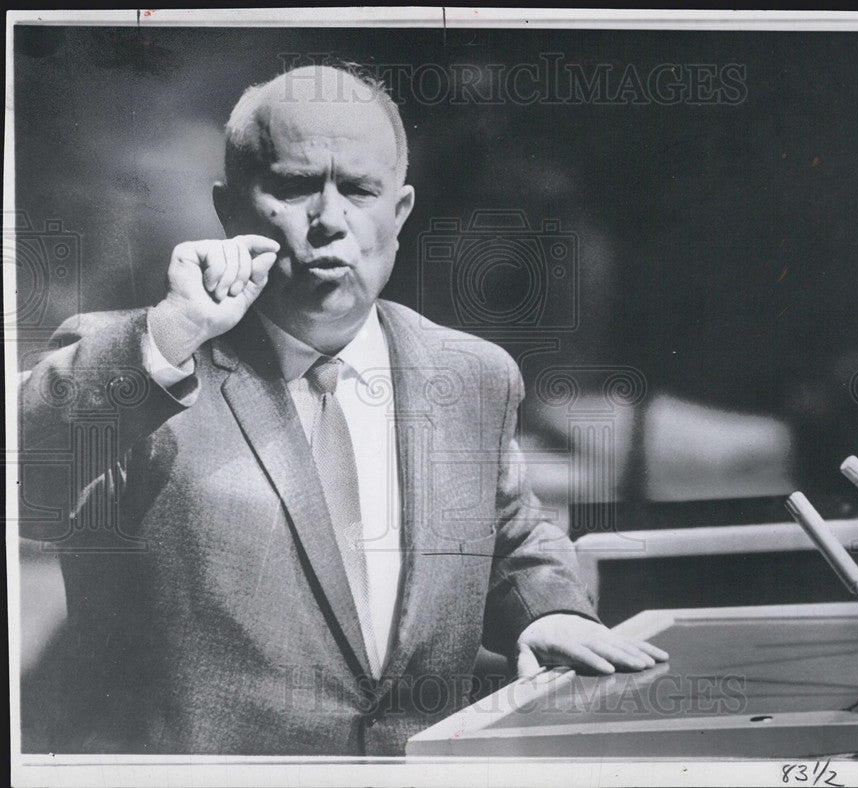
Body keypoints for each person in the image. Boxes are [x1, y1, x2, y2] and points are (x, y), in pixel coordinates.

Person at [18, 64, 666, 755]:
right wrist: (171, 331)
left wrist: (545, 612)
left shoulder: (472, 374)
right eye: (295, 187)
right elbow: (30, 488)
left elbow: (507, 534)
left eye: (359, 189)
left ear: (401, 211)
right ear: (229, 209)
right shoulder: (146, 359)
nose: (330, 221)